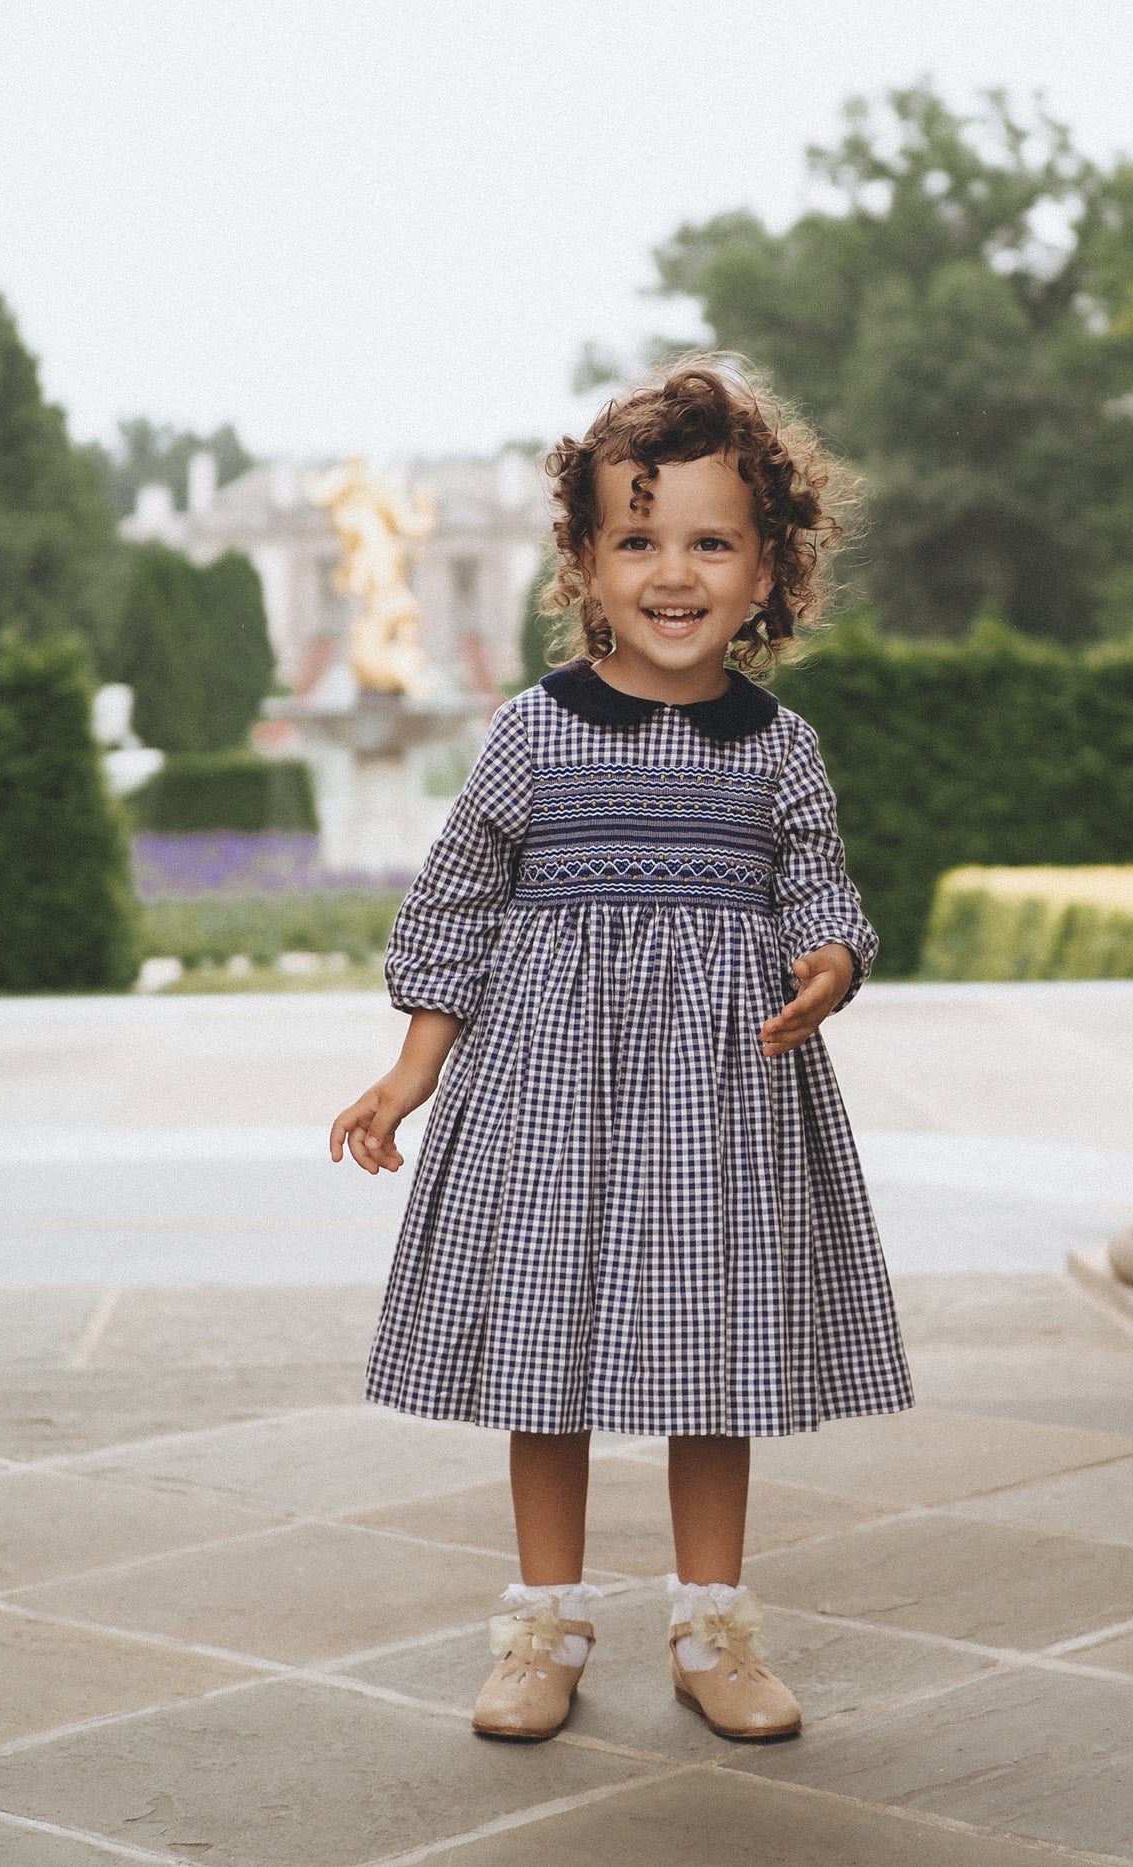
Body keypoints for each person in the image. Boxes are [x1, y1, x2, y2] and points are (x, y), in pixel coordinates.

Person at [329, 357, 912, 1744]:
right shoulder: (532, 734)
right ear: (583, 564)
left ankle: (713, 1625)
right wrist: (414, 1067)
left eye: (712, 541)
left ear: (770, 568)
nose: (674, 570)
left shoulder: (780, 752)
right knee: (550, 1351)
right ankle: (544, 1624)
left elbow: (814, 886)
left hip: (722, 1099)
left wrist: (831, 958)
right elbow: (459, 895)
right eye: (637, 539)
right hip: (550, 1093)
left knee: (715, 1359)